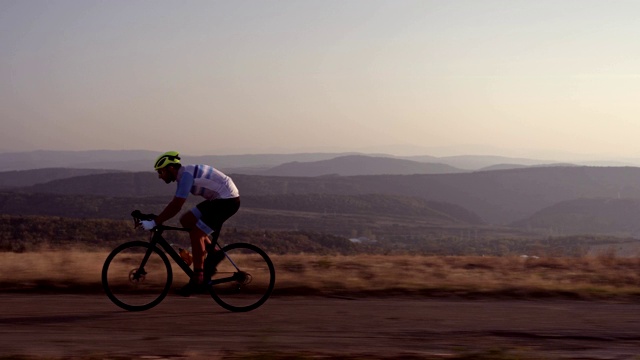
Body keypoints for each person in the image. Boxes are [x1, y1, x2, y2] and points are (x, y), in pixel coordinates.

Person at [140, 151, 241, 296]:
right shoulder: (183, 175)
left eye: (161, 172)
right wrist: (157, 220)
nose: (159, 176)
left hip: (227, 201)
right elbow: (176, 206)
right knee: (186, 220)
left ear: (171, 168)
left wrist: (155, 222)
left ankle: (198, 278)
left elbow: (176, 205)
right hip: (219, 198)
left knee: (197, 234)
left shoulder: (186, 176)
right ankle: (214, 254)